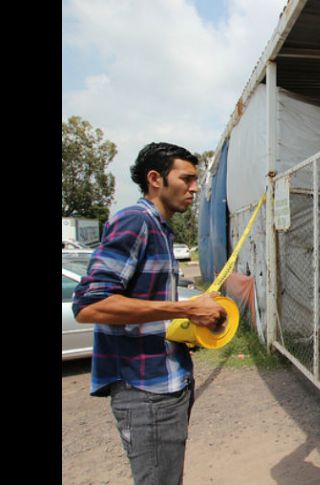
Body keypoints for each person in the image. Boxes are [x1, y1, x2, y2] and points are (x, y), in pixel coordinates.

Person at [72, 142, 228, 485]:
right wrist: (185, 307)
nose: (194, 187)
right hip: (146, 392)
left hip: (167, 383)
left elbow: (147, 309)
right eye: (186, 178)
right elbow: (90, 305)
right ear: (155, 179)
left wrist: (184, 328)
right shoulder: (134, 221)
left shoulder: (161, 228)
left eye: (195, 179)